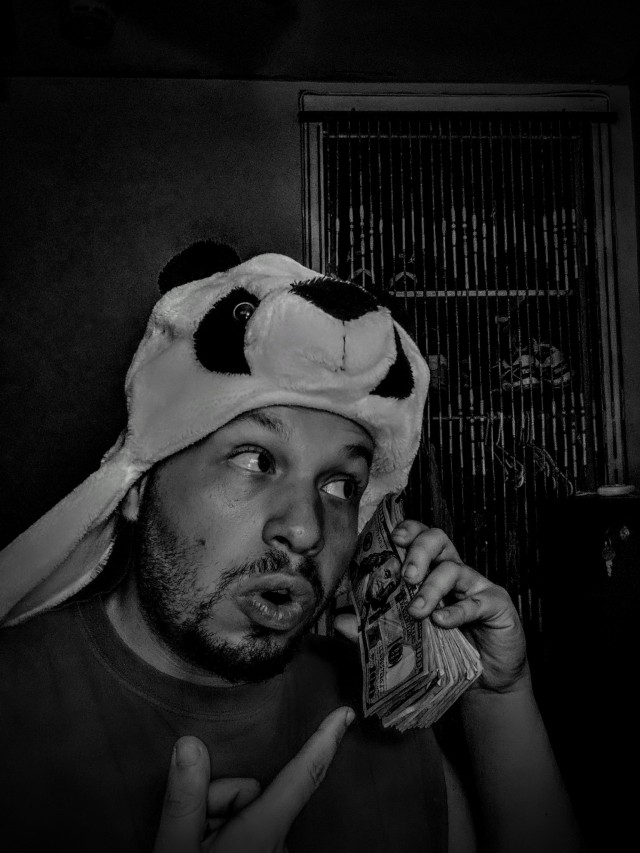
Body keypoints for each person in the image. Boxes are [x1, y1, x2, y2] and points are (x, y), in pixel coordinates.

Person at [0, 245, 583, 853]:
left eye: (341, 486)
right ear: (137, 489)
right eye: (256, 459)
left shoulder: (378, 705)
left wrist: (497, 697)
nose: (306, 531)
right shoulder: (16, 703)